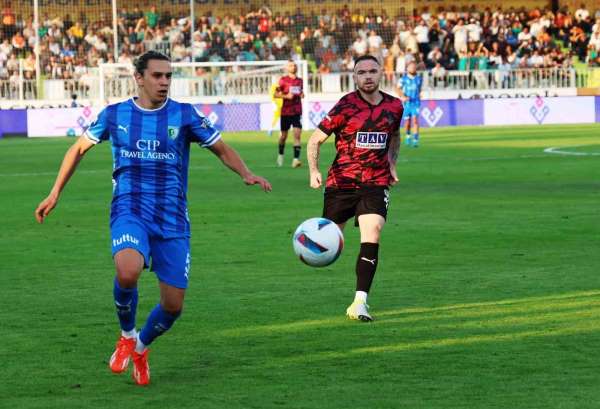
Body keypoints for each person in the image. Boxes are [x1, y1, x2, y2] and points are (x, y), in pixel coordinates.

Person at [34, 51, 272, 386]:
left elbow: (221, 148)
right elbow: (77, 149)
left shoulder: (184, 115)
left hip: (173, 219)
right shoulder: (115, 115)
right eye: (157, 76)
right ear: (139, 77)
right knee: (128, 270)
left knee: (173, 306)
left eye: (168, 76)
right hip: (129, 208)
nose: (164, 82)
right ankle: (127, 334)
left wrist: (245, 173)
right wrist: (55, 192)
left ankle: (142, 348)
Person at [307, 55, 402, 322]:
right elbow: (315, 140)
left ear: (381, 73)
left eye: (372, 71)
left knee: (373, 232)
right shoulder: (345, 106)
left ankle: (360, 302)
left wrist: (392, 164)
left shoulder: (395, 106)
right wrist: (314, 171)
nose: (368, 76)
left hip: (375, 182)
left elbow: (394, 136)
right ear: (355, 77)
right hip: (341, 184)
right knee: (328, 245)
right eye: (362, 72)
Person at [274, 60, 304, 168]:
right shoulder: (283, 80)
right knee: (283, 137)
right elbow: (276, 94)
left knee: (297, 135)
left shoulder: (300, 81)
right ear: (287, 68)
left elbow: (300, 92)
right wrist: (286, 96)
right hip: (286, 112)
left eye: (295, 65)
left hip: (296, 111)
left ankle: (296, 160)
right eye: (291, 66)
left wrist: (301, 94)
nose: (294, 67)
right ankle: (280, 155)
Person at [395, 60, 423, 147]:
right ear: (407, 68)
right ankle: (408, 136)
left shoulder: (419, 79)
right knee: (407, 122)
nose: (413, 68)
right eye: (411, 67)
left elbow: (419, 89)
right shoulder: (403, 79)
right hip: (406, 104)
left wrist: (420, 94)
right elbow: (397, 89)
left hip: (416, 102)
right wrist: (402, 96)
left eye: (414, 67)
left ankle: (415, 139)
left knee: (415, 120)